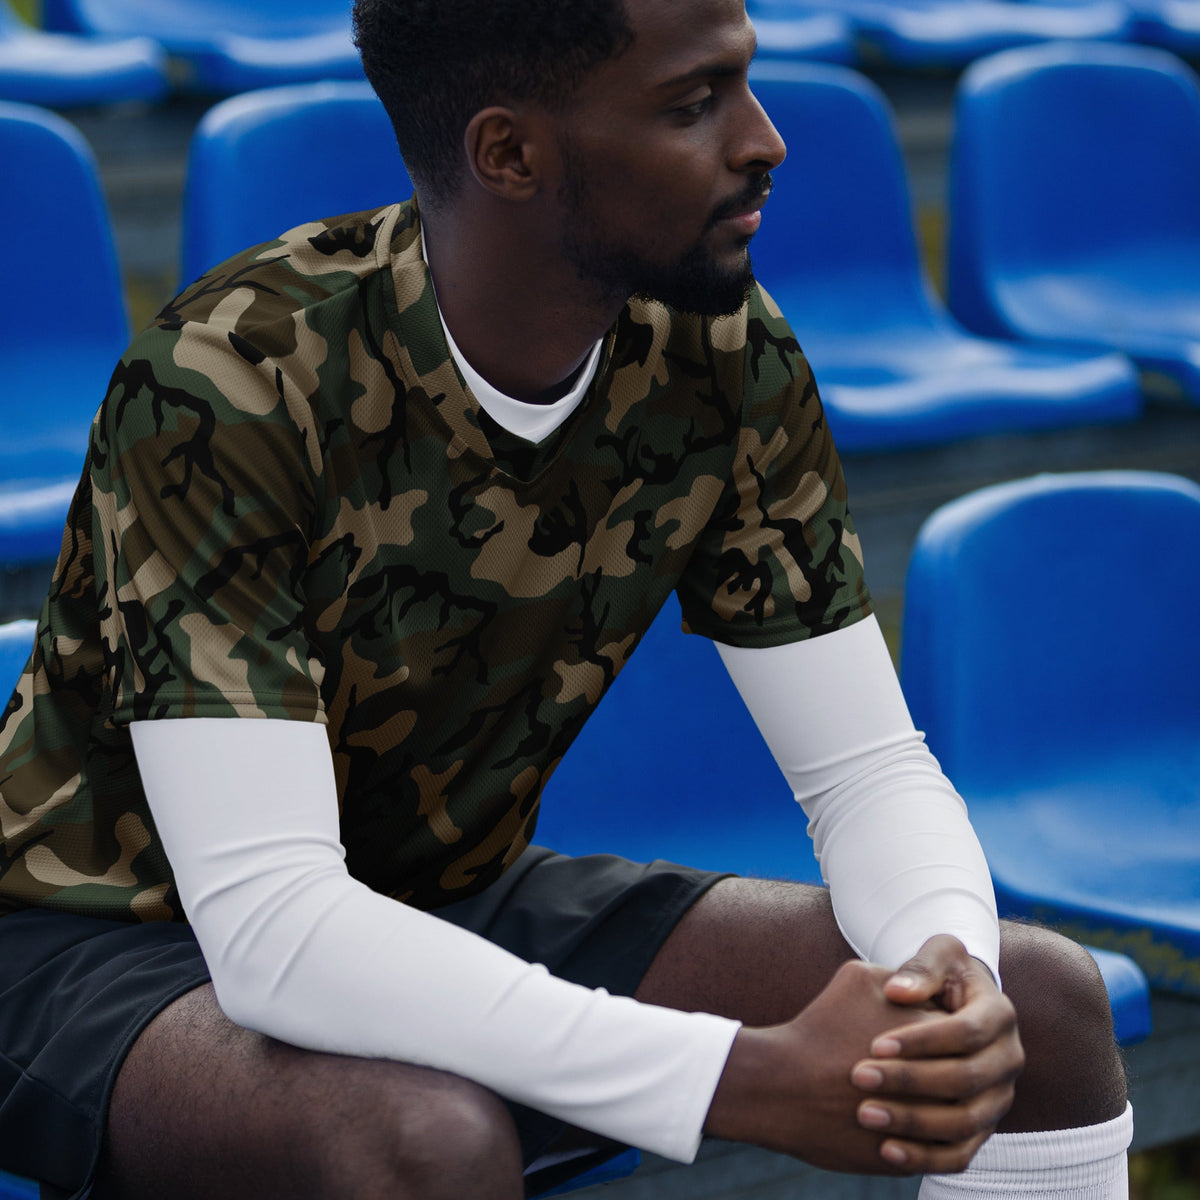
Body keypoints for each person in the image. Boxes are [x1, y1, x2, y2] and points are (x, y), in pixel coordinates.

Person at [0, 1, 1132, 1197]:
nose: (764, 140)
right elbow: (273, 926)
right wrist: (739, 1077)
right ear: (510, 153)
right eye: (693, 104)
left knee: (1037, 1003)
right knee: (427, 1145)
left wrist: (948, 974)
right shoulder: (230, 377)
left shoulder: (719, 349)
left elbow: (868, 771)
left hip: (436, 893)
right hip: (101, 942)